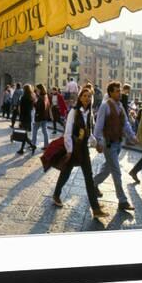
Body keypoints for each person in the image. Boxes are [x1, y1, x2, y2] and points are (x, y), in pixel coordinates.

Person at [52, 88, 108, 218]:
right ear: (80, 97)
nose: (87, 98)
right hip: (73, 147)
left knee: (89, 177)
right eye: (85, 96)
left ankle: (95, 208)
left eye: (89, 96)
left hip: (83, 149)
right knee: (65, 173)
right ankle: (56, 194)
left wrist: (96, 144)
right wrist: (69, 150)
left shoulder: (89, 113)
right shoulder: (74, 111)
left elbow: (89, 133)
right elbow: (67, 132)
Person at [93, 81, 139, 211]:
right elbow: (98, 126)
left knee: (107, 168)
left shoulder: (120, 106)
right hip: (109, 144)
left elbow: (125, 124)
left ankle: (92, 184)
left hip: (118, 143)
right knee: (116, 172)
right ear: (111, 92)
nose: (120, 93)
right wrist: (99, 142)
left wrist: (132, 137)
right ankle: (122, 201)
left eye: (120, 90)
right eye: (117, 91)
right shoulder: (105, 106)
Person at [16, 84, 37, 155]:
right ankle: (23, 149)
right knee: (25, 134)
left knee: (24, 134)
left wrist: (20, 120)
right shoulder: (31, 97)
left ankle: (32, 145)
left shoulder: (23, 97)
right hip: (29, 117)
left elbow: (22, 110)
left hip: (24, 117)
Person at [32, 84, 50, 150]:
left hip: (39, 117)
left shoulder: (41, 97)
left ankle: (33, 144)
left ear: (40, 89)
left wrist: (34, 102)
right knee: (45, 131)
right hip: (44, 117)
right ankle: (46, 145)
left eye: (37, 89)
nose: (36, 90)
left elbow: (39, 107)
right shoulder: (46, 96)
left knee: (34, 130)